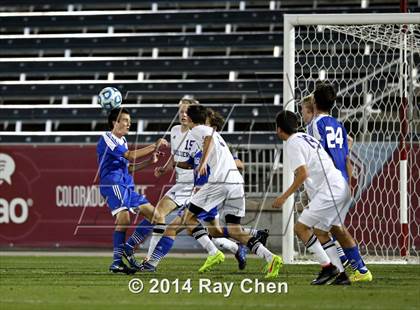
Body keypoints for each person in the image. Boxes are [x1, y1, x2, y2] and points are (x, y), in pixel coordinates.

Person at [139, 109, 271, 272]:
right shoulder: (197, 145)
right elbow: (185, 163)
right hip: (208, 191)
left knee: (177, 226)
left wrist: (210, 164)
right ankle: (248, 242)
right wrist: (166, 168)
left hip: (213, 190)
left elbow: (239, 164)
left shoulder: (213, 140)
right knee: (215, 231)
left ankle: (153, 263)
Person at [273, 110, 351, 285]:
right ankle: (341, 275)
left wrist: (284, 197)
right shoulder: (305, 137)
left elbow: (302, 174)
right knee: (321, 232)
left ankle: (327, 267)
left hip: (329, 191)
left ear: (278, 129)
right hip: (339, 185)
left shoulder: (292, 144)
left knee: (300, 229)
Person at [308, 82, 372, 282]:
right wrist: (349, 179)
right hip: (341, 180)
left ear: (315, 102)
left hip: (328, 182)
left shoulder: (314, 126)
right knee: (327, 228)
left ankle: (358, 269)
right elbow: (346, 155)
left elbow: (316, 155)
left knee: (323, 229)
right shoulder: (339, 125)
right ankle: (347, 265)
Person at [96, 108, 168, 274]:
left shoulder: (123, 141)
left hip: (126, 185)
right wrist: (154, 145)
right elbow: (130, 155)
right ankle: (116, 262)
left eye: (129, 120)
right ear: (115, 122)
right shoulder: (107, 138)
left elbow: (128, 166)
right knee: (124, 218)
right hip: (112, 184)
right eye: (125, 120)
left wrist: (150, 162)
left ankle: (127, 248)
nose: (129, 123)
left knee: (157, 216)